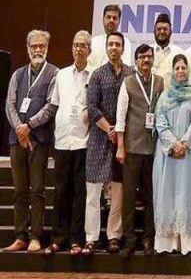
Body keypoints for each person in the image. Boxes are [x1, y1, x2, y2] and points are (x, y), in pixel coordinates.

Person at [4, 30, 58, 254]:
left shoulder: (54, 74)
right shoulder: (18, 74)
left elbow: (51, 106)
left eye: (41, 46)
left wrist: (29, 126)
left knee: (37, 190)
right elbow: (10, 104)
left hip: (40, 140)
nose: (37, 50)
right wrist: (20, 129)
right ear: (27, 48)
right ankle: (20, 236)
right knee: (19, 191)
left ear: (47, 48)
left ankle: (36, 236)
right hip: (17, 140)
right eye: (34, 46)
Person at [115, 44, 165, 257]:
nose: (146, 60)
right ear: (135, 61)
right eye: (142, 57)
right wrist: (120, 147)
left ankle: (148, 238)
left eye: (149, 56)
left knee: (150, 197)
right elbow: (120, 117)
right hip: (132, 148)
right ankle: (129, 239)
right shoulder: (128, 82)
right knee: (128, 198)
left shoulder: (160, 82)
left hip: (153, 149)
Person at [47, 31, 92, 255]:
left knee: (79, 193)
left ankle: (76, 239)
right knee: (60, 191)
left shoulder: (94, 76)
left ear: (89, 50)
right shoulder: (61, 75)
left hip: (84, 141)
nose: (78, 49)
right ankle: (58, 238)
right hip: (63, 140)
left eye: (83, 45)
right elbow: (54, 104)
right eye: (75, 45)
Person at [152, 54, 191, 254]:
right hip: (167, 154)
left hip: (187, 155)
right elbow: (160, 121)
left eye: (183, 68)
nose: (180, 71)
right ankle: (166, 242)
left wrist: (184, 144)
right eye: (177, 68)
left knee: (184, 193)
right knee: (166, 192)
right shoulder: (165, 96)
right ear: (172, 71)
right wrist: (173, 144)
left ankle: (183, 242)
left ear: (188, 71)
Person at [85, 31, 128, 255]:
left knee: (118, 191)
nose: (114, 48)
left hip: (121, 140)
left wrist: (118, 132)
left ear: (123, 48)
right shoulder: (97, 74)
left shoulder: (130, 74)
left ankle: (114, 235)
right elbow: (91, 106)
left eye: (117, 44)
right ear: (106, 48)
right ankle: (91, 237)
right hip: (99, 138)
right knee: (93, 190)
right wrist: (109, 128)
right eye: (111, 44)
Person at [87, 4, 133, 71]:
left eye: (114, 18)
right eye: (108, 17)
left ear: (119, 21)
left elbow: (124, 68)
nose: (111, 20)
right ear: (103, 19)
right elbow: (88, 66)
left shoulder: (125, 42)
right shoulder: (93, 41)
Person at [152, 13, 184, 87]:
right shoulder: (147, 52)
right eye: (159, 29)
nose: (162, 31)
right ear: (154, 32)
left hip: (173, 93)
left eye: (165, 29)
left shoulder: (179, 53)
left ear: (171, 32)